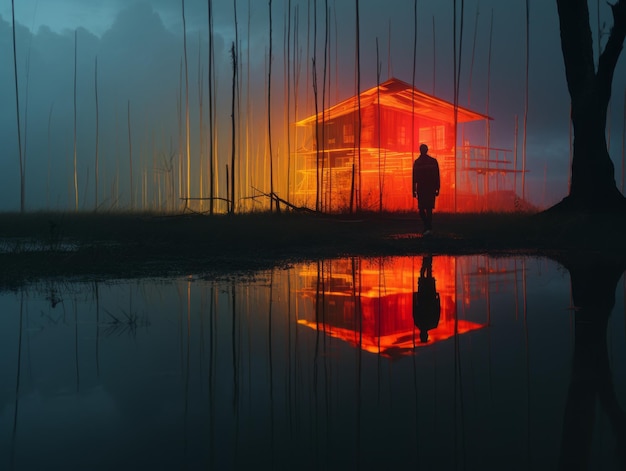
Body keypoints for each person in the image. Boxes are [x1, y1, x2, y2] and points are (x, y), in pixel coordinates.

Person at [412, 144, 440, 235]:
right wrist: (437, 187)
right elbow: (437, 176)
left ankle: (427, 227)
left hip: (425, 188)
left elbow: (414, 178)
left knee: (426, 208)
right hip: (427, 188)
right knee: (426, 209)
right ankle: (428, 226)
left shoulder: (419, 162)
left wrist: (414, 190)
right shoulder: (431, 161)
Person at [412, 255, 441, 343]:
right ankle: (427, 259)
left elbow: (438, 310)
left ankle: (427, 259)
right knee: (424, 274)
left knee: (426, 274)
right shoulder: (420, 323)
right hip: (426, 295)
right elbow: (414, 308)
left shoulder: (432, 324)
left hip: (427, 295)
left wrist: (438, 298)